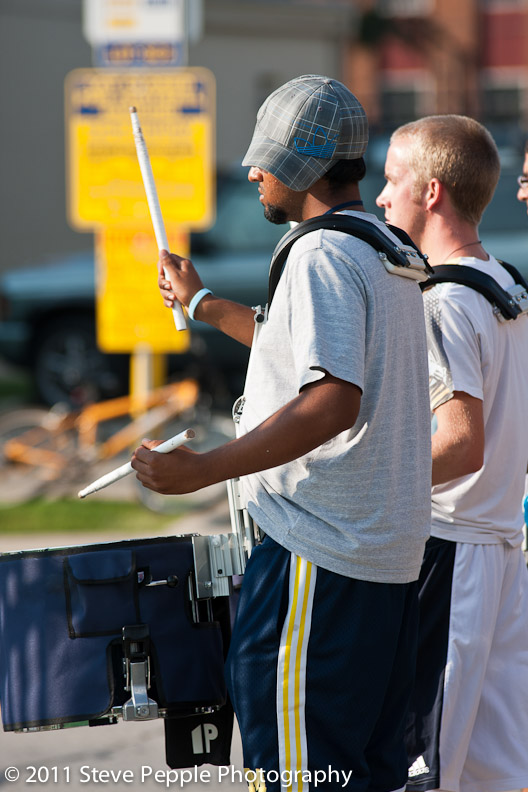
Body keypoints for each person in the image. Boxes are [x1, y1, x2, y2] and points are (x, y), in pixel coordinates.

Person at [132, 75, 432, 792]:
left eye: (264, 156)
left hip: (317, 561)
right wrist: (204, 302)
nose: (251, 170)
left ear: (301, 162)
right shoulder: (380, 247)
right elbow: (298, 347)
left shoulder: (321, 254)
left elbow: (331, 397)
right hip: (380, 565)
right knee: (364, 775)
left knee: (300, 776)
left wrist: (203, 470)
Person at [376, 115, 528, 792]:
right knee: (495, 768)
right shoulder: (506, 285)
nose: (381, 198)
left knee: (425, 765)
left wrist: (366, 481)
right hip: (498, 552)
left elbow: (459, 443)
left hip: (450, 554)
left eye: (391, 180)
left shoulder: (441, 303)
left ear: (431, 192)